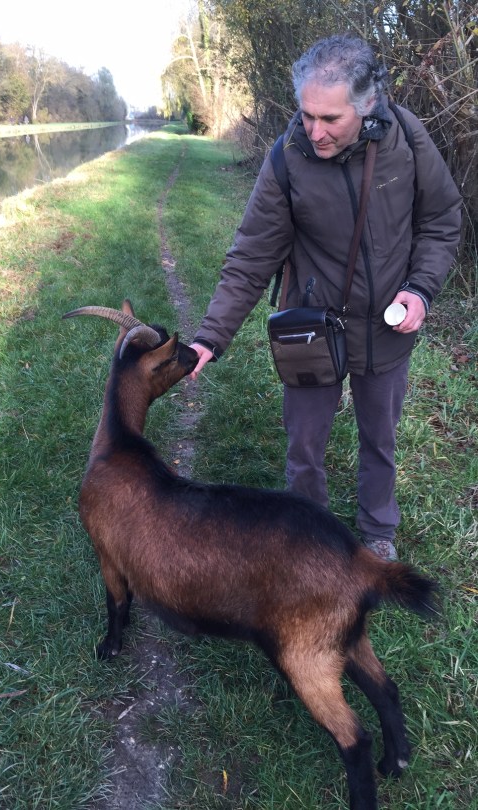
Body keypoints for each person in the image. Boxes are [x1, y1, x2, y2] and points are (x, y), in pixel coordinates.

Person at [189, 34, 462, 560]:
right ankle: (308, 538)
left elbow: (441, 220)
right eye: (307, 115)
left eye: (330, 119)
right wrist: (209, 338)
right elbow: (251, 256)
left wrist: (420, 289)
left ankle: (378, 532)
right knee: (304, 446)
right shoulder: (288, 157)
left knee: (380, 440)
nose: (314, 131)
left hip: (386, 326)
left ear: (368, 104)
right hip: (311, 331)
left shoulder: (407, 137)